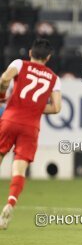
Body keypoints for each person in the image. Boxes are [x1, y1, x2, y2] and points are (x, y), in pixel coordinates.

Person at [0, 39, 62, 229]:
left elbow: (4, 79)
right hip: (31, 126)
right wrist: (34, 108)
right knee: (19, 169)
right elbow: (57, 108)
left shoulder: (19, 64)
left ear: (30, 53)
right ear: (48, 57)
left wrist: (2, 96)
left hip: (10, 119)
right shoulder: (54, 78)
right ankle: (10, 203)